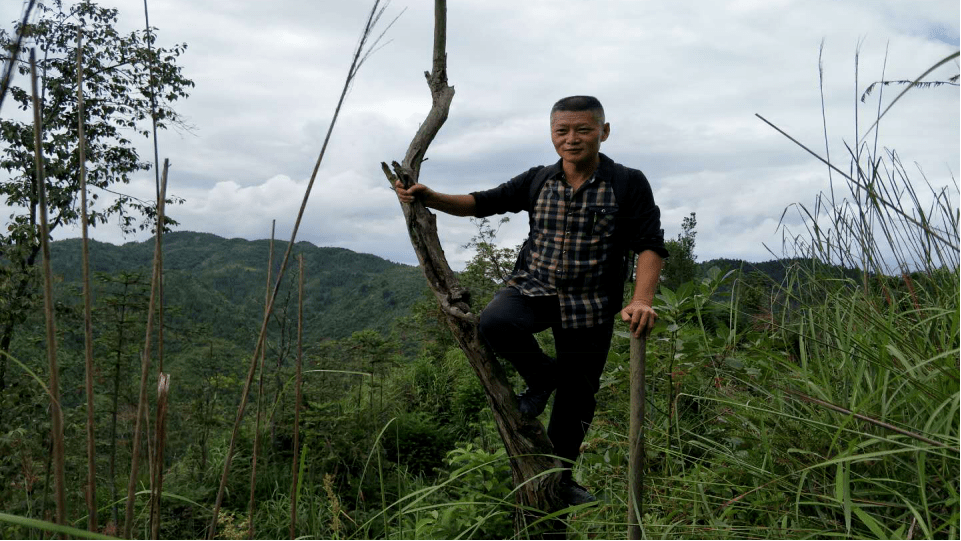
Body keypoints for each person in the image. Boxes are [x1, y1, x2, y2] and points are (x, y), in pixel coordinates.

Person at [395, 95, 667, 506]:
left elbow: (650, 245)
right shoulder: (539, 179)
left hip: (590, 304)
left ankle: (557, 479)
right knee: (495, 322)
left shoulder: (627, 183)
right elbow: (481, 203)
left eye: (583, 130)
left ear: (603, 132)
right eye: (562, 131)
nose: (571, 139)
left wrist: (641, 299)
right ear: (552, 134)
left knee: (577, 397)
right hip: (534, 288)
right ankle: (542, 376)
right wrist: (430, 197)